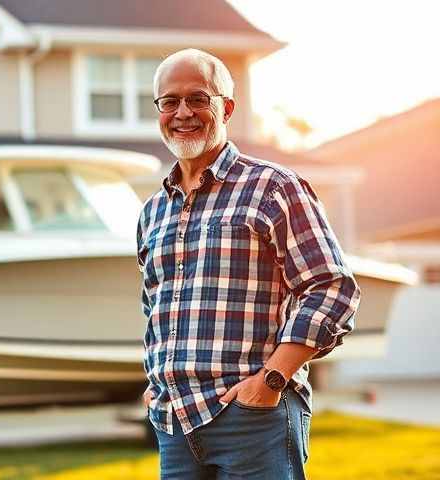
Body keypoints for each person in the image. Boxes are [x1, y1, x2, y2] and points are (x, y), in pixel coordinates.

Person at [137, 48, 361, 479]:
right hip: (175, 424)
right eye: (170, 101)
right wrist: (155, 384)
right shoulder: (153, 211)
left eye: (198, 99)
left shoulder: (273, 187)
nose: (183, 112)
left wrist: (272, 380)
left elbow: (332, 289)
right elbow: (155, 308)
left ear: (226, 108)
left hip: (254, 419)